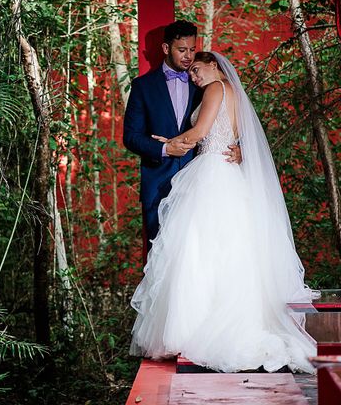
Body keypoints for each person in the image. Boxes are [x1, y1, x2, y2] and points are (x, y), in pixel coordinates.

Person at [129, 51, 317, 373]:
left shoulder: (216, 88)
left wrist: (170, 142)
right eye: (191, 74)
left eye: (198, 69)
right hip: (227, 175)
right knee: (230, 252)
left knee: (200, 251)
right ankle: (227, 323)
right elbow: (239, 135)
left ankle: (197, 329)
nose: (194, 77)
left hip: (212, 173)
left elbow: (201, 133)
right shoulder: (233, 92)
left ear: (214, 65)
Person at [122, 21, 240, 259]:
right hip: (158, 185)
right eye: (181, 50)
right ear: (166, 48)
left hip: (202, 184)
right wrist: (165, 148)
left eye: (192, 50)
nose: (188, 57)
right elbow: (131, 137)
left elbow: (230, 117)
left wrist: (240, 148)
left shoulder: (205, 83)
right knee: (161, 261)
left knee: (203, 253)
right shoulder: (143, 86)